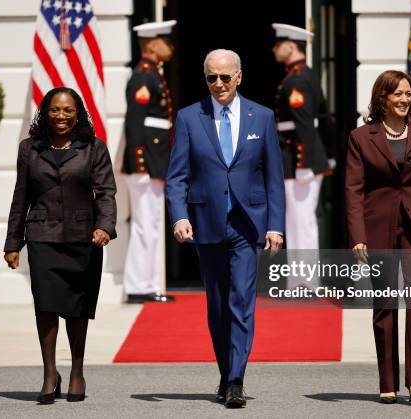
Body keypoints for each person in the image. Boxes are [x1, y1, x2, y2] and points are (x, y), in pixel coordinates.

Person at [165, 49, 285, 408]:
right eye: (211, 78)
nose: (218, 84)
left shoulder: (261, 117)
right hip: (206, 223)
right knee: (217, 305)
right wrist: (179, 216)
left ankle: (236, 378)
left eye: (225, 77)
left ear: (239, 76)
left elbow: (274, 178)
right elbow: (176, 177)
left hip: (247, 225)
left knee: (242, 303)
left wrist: (275, 225)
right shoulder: (189, 118)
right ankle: (225, 370)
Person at [345, 70, 411, 404]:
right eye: (398, 94)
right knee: (385, 305)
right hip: (379, 230)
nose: (405, 99)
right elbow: (354, 191)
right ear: (383, 98)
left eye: (408, 94)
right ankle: (388, 380)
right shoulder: (361, 137)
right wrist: (358, 236)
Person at [3, 87, 117, 404]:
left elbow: (106, 192)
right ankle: (50, 373)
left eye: (68, 110)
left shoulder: (94, 148)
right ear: (45, 113)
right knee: (46, 306)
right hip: (42, 237)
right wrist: (13, 242)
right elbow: (20, 197)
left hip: (84, 239)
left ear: (77, 113)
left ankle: (77, 371)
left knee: (78, 309)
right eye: (55, 110)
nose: (61, 116)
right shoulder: (29, 149)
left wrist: (104, 226)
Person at [121, 20, 177, 304]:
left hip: (154, 163)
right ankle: (139, 285)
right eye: (166, 41)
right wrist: (140, 162)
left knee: (151, 224)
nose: (171, 46)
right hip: (145, 164)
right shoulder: (143, 76)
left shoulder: (153, 74)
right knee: (145, 224)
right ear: (152, 44)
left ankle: (149, 283)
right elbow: (135, 124)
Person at [271, 23, 334, 255]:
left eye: (278, 45)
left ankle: (305, 282)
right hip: (300, 156)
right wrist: (330, 154)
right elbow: (324, 117)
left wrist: (304, 163)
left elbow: (305, 124)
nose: (274, 50)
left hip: (300, 158)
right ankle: (301, 281)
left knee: (301, 221)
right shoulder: (303, 75)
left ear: (290, 46)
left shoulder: (297, 80)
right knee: (296, 221)